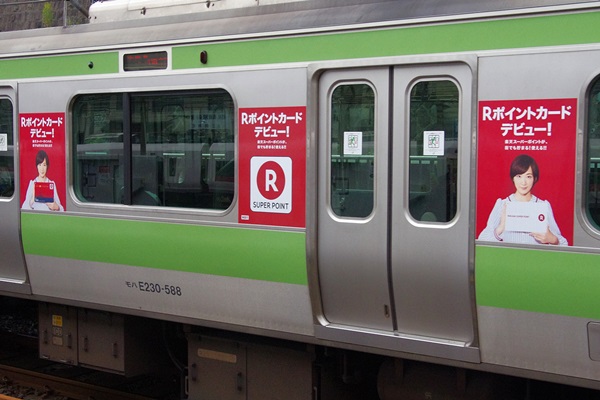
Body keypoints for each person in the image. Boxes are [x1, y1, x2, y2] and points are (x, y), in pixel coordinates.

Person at [478, 154, 567, 245]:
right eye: (519, 176)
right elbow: (482, 240)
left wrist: (552, 239)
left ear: (534, 178)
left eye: (528, 176)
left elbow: (564, 244)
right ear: (513, 178)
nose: (523, 182)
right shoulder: (502, 204)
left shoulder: (543, 206)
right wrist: (500, 228)